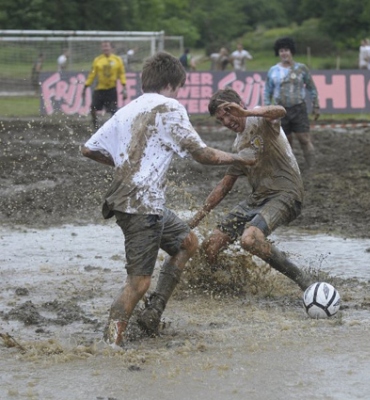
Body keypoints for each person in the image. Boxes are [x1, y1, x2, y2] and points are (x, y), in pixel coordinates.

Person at [81, 52, 255, 347]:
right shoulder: (169, 106)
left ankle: (154, 312)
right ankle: (111, 344)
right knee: (138, 283)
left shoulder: (127, 109)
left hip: (141, 203)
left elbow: (88, 149)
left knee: (188, 242)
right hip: (140, 206)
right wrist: (240, 157)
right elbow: (203, 154)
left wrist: (127, 163)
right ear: (174, 83)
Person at [139, 88, 313, 335]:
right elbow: (224, 186)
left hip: (287, 193)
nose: (227, 121)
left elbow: (280, 111)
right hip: (258, 198)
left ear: (239, 105)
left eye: (228, 113)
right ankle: (223, 285)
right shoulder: (238, 143)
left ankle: (303, 280)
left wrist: (246, 111)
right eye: (221, 119)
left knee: (250, 239)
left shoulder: (262, 120)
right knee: (210, 246)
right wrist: (195, 221)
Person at [264, 37, 319, 173]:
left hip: (298, 108)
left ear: (291, 51)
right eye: (281, 51)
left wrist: (316, 105)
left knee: (304, 138)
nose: (284, 53)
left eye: (286, 50)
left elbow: (312, 88)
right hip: (280, 110)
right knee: (286, 142)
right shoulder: (273, 71)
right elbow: (267, 92)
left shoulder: (301, 69)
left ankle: (311, 167)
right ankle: (290, 169)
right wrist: (267, 110)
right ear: (278, 53)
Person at [82, 41, 127, 130]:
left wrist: (124, 87)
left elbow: (121, 74)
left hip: (111, 89)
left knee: (113, 110)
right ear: (101, 48)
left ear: (111, 48)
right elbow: (92, 74)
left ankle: (112, 128)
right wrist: (86, 86)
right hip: (100, 89)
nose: (105, 48)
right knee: (93, 108)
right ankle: (95, 125)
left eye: (107, 46)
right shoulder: (98, 60)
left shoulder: (117, 60)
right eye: (104, 47)